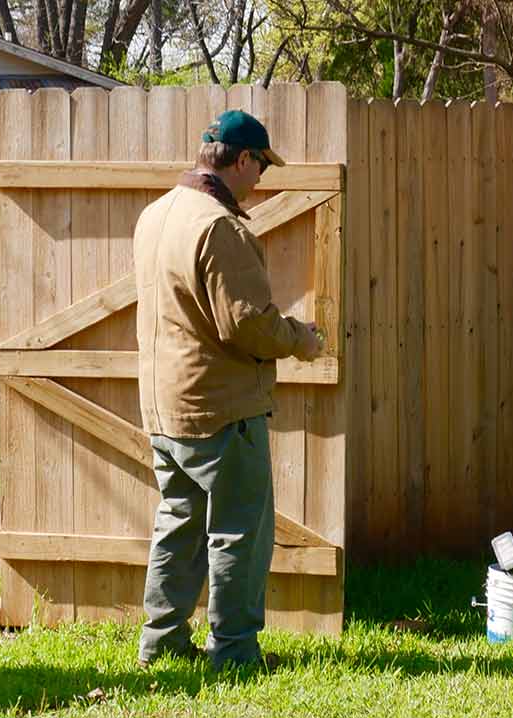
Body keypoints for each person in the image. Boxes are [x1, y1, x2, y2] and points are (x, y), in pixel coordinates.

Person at [132, 110, 323, 670]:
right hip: (220, 408)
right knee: (239, 533)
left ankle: (161, 642)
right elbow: (246, 324)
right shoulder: (218, 225)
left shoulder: (156, 214)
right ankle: (235, 653)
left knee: (176, 524)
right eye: (260, 165)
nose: (261, 178)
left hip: (164, 409)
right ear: (241, 160)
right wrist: (301, 340)